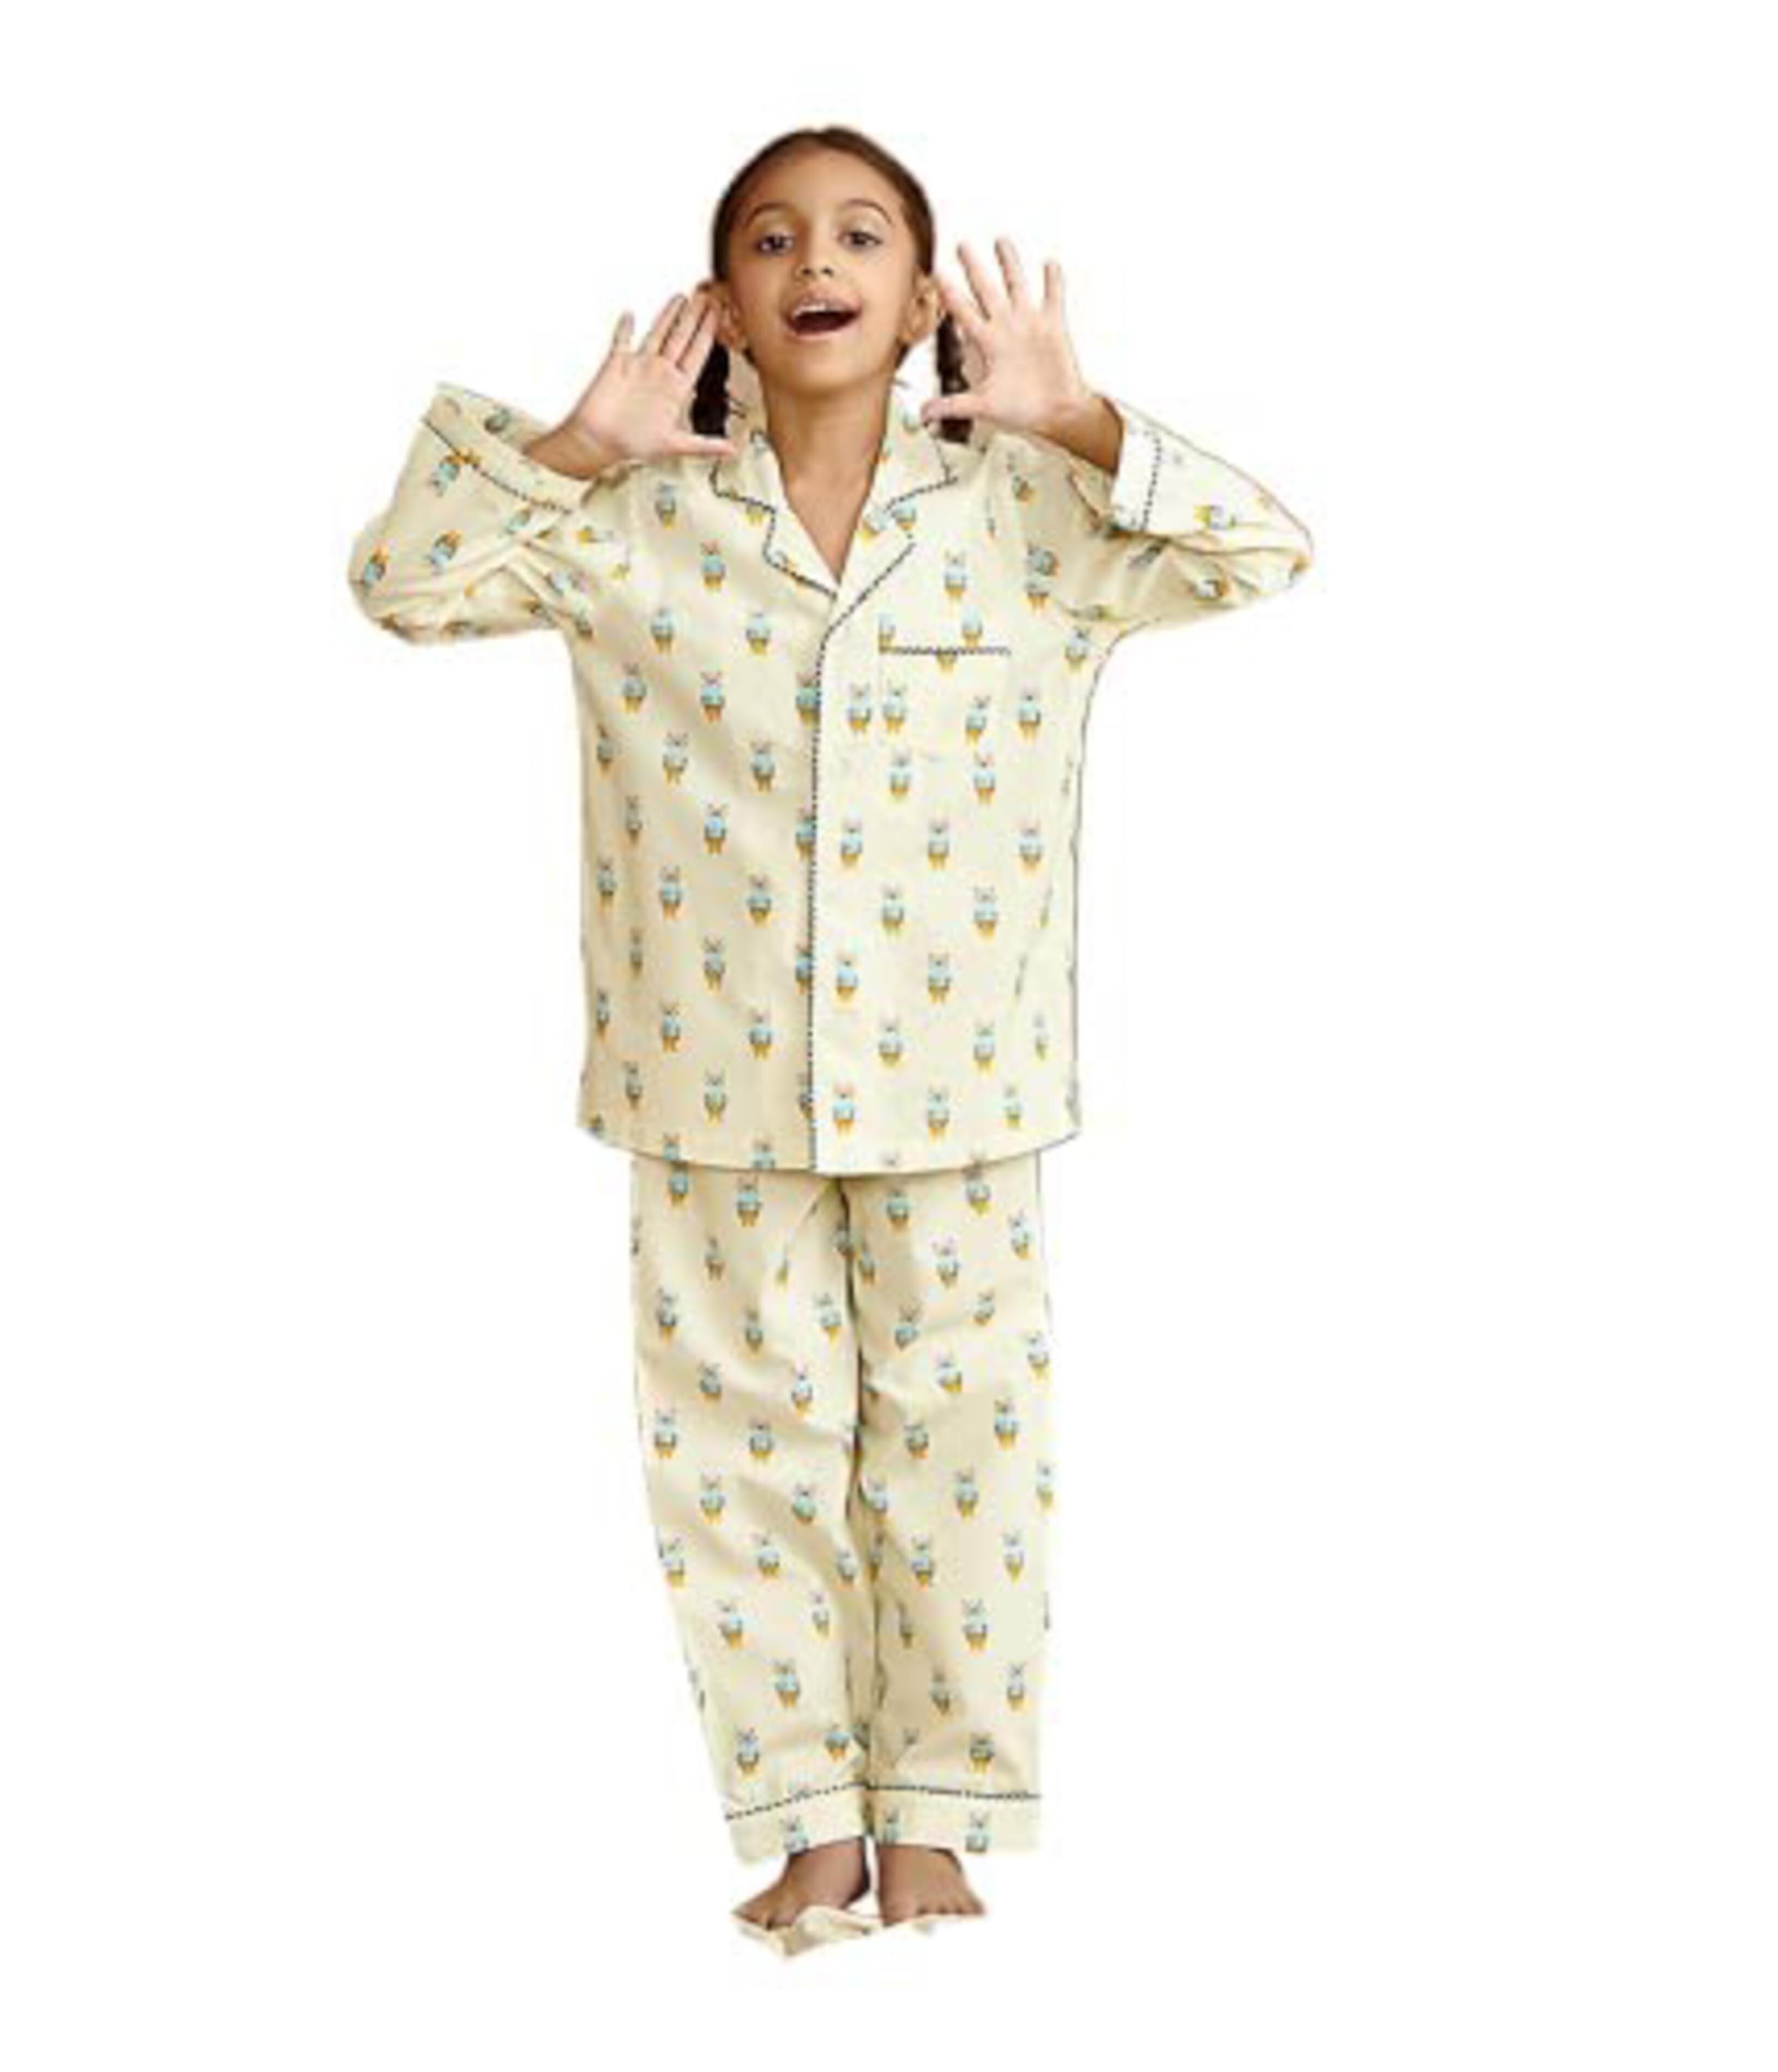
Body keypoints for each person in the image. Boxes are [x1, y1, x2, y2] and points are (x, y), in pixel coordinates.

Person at [345, 124, 1313, 1956]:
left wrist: (1080, 417)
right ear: (723, 300)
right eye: (774, 237)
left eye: (861, 235)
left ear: (921, 295)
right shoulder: (628, 520)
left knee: (961, 1451)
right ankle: (804, 1826)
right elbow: (401, 587)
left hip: (963, 1083)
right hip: (702, 1078)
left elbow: (1264, 550)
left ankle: (937, 1815)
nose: (818, 261)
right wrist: (574, 447)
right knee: (739, 1459)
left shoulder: (1027, 514)